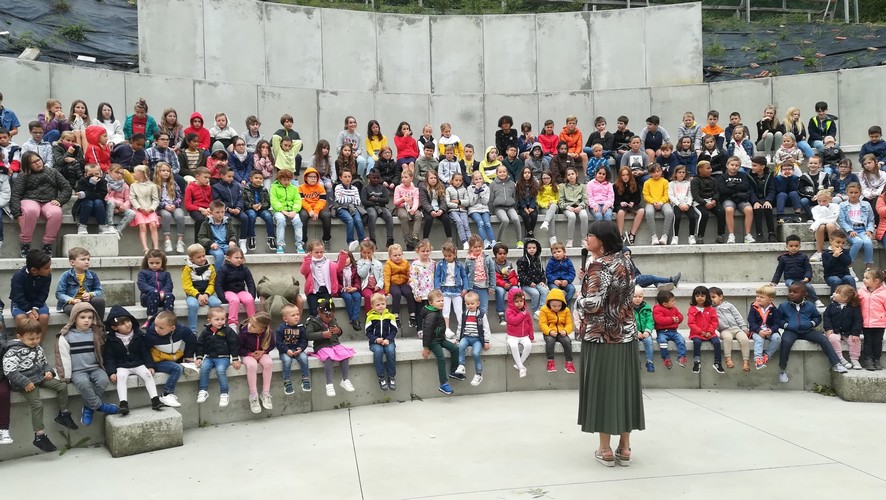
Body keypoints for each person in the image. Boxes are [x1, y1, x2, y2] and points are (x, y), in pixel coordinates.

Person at [576, 220, 644, 467]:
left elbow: (593, 304)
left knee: (603, 388)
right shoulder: (626, 261)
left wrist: (578, 300)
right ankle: (624, 448)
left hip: (601, 336)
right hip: (626, 334)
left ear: (601, 240)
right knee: (624, 388)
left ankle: (605, 449)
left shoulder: (598, 265)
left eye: (590, 235)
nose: (587, 239)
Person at [3, 318, 76, 452]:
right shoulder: (13, 351)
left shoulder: (38, 347)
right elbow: (9, 370)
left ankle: (64, 414)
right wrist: (25, 382)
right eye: (31, 339)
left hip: (39, 376)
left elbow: (44, 363)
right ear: (20, 337)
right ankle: (39, 435)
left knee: (62, 386)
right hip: (24, 382)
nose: (35, 341)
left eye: (38, 338)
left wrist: (48, 371)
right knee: (37, 404)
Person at [56, 301, 118, 425]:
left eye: (90, 317)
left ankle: (88, 408)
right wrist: (65, 376)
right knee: (83, 383)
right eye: (82, 317)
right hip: (77, 371)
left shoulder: (96, 333)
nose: (86, 320)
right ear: (74, 318)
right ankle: (99, 406)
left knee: (103, 380)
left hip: (95, 367)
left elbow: (103, 351)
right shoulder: (66, 336)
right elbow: (61, 357)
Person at [777, 283, 848, 383]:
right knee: (785, 342)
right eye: (790, 291)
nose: (791, 294)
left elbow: (817, 317)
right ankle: (782, 369)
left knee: (823, 339)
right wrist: (786, 325)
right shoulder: (783, 306)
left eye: (795, 292)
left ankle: (836, 364)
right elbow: (778, 319)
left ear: (804, 294)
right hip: (791, 331)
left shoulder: (810, 305)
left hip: (807, 331)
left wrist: (811, 324)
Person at [11, 151, 72, 257]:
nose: (38, 163)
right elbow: (16, 194)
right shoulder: (23, 175)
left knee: (56, 213)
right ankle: (25, 243)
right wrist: (17, 214)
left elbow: (67, 188)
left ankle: (47, 244)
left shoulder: (53, 172)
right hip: (30, 200)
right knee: (31, 211)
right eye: (33, 162)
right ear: (27, 165)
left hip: (49, 201)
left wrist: (59, 200)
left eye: (38, 160)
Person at [104, 305, 162, 414]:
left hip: (138, 363)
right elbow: (109, 358)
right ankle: (123, 403)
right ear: (114, 328)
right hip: (122, 365)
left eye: (128, 321)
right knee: (121, 377)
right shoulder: (111, 340)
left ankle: (155, 399)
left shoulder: (138, 335)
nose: (127, 324)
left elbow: (145, 352)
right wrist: (111, 372)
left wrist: (150, 365)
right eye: (122, 324)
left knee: (147, 374)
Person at [144, 310, 196, 407]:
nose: (157, 329)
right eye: (156, 325)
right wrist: (150, 365)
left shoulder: (181, 330)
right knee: (177, 368)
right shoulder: (151, 334)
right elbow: (144, 350)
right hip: (158, 361)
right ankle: (166, 394)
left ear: (172, 328)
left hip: (174, 357)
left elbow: (191, 339)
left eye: (161, 328)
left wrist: (188, 356)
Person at [306, 298, 356, 397]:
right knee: (329, 357)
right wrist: (322, 334)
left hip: (334, 344)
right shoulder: (312, 321)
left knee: (344, 354)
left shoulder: (332, 320)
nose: (329, 318)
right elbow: (308, 335)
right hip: (321, 346)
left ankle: (345, 379)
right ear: (319, 312)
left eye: (332, 316)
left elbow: (339, 332)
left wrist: (338, 330)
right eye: (327, 316)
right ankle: (329, 384)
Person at [196, 306, 241, 407]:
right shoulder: (206, 331)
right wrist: (199, 357)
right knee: (204, 368)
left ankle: (224, 393)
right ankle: (203, 391)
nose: (220, 322)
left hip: (223, 357)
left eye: (222, 319)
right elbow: (200, 344)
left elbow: (234, 344)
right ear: (209, 320)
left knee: (220, 370)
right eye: (217, 319)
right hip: (209, 357)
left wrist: (235, 358)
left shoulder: (228, 331)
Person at [422, 290, 461, 395]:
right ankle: (443, 383)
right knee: (441, 358)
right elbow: (427, 332)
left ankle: (453, 371)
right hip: (433, 341)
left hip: (441, 338)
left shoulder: (437, 311)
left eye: (442, 300)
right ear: (431, 303)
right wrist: (426, 347)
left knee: (455, 349)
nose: (441, 303)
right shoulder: (431, 315)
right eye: (438, 301)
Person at [771, 234, 823, 309]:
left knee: (809, 286)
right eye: (791, 246)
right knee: (792, 286)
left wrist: (807, 277)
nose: (794, 248)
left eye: (796, 246)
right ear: (786, 247)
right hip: (790, 279)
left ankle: (816, 300)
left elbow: (808, 269)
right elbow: (779, 271)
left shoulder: (803, 257)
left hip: (801, 279)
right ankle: (793, 301)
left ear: (799, 246)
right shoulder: (783, 258)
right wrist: (774, 282)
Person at [11, 249, 52, 342]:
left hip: (38, 303)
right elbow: (18, 296)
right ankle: (22, 345)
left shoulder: (47, 275)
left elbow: (43, 293)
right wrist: (29, 312)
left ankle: (38, 344)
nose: (50, 269)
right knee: (21, 318)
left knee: (44, 317)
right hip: (20, 303)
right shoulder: (18, 276)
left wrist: (35, 308)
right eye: (46, 268)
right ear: (34, 270)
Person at [237, 313, 274, 414]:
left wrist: (263, 352)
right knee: (252, 365)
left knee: (268, 363)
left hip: (261, 353)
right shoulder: (243, 332)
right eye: (250, 322)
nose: (249, 326)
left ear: (261, 330)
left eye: (253, 326)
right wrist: (250, 354)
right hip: (247, 354)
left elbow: (272, 345)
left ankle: (265, 393)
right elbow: (238, 348)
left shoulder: (268, 333)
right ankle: (253, 395)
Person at [182, 243, 223, 334]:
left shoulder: (210, 268)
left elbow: (212, 283)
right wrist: (198, 296)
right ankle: (192, 331)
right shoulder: (187, 269)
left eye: (203, 256)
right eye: (199, 257)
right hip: (193, 295)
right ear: (191, 259)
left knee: (216, 303)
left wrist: (206, 294)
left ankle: (215, 328)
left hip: (207, 294)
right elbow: (187, 286)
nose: (202, 259)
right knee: (193, 305)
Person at [55, 246, 106, 319]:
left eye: (88, 259)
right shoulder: (66, 275)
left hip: (87, 301)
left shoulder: (92, 275)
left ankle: (98, 324)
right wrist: (72, 300)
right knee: (73, 309)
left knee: (99, 301)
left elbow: (100, 291)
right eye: (83, 259)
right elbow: (59, 294)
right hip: (71, 303)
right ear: (72, 262)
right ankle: (77, 326)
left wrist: (90, 294)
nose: (87, 262)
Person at [710, 287, 751, 372]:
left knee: (744, 339)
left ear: (720, 297)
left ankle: (746, 361)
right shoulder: (710, 309)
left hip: (736, 328)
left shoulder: (728, 305)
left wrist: (744, 327)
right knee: (727, 338)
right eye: (709, 298)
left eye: (713, 297)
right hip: (724, 330)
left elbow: (737, 316)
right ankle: (728, 359)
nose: (711, 300)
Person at [216, 246, 257, 330]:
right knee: (235, 300)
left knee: (249, 299)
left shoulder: (244, 268)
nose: (239, 260)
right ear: (228, 258)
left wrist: (252, 294)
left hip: (241, 291)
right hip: (228, 291)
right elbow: (218, 284)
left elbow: (250, 282)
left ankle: (252, 322)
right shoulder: (223, 269)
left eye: (241, 258)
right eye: (236, 257)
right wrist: (222, 298)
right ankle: (233, 325)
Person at [824, 285, 863, 370]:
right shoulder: (831, 306)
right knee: (832, 338)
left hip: (848, 331)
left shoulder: (853, 308)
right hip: (835, 330)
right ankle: (840, 358)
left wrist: (855, 333)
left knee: (855, 340)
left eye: (836, 293)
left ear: (844, 298)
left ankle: (855, 359)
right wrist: (828, 328)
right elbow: (826, 317)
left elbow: (858, 321)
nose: (833, 294)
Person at [837, 182, 875, 269]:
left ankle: (868, 266)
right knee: (858, 242)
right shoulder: (842, 205)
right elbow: (842, 221)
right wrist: (850, 230)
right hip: (849, 230)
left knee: (868, 242)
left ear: (860, 193)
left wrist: (869, 230)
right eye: (851, 192)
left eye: (856, 192)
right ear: (847, 193)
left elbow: (871, 220)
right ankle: (848, 265)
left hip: (862, 229)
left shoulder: (866, 204)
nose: (853, 195)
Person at [687, 286, 724, 374]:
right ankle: (697, 362)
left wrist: (710, 331)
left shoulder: (711, 309)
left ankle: (717, 362)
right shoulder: (692, 309)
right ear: (694, 297)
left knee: (716, 342)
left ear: (707, 297)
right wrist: (700, 332)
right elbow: (691, 323)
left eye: (702, 296)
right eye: (697, 296)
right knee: (697, 342)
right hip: (696, 333)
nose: (700, 298)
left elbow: (714, 322)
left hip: (710, 333)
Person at [275, 304, 311, 394]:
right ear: (285, 319)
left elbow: (304, 341)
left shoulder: (301, 327)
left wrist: (301, 349)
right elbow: (278, 343)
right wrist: (286, 350)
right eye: (293, 315)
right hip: (285, 351)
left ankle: (305, 378)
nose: (296, 317)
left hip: (298, 350)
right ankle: (287, 381)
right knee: (287, 360)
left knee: (304, 358)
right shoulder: (280, 329)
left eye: (297, 314)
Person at [365, 293, 398, 391]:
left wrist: (388, 339)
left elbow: (394, 330)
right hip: (375, 342)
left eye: (383, 304)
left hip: (388, 341)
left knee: (390, 351)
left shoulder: (390, 316)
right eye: (378, 305)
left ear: (386, 304)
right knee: (378, 351)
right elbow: (368, 332)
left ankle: (391, 376)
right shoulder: (370, 317)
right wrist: (375, 339)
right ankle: (381, 377)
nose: (380, 306)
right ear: (372, 306)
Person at [212, 166, 248, 252]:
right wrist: (227, 209)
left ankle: (242, 240)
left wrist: (238, 208)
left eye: (232, 176)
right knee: (227, 219)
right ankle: (230, 241)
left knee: (245, 218)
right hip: (225, 210)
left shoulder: (237, 185)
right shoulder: (216, 187)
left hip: (237, 209)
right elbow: (218, 200)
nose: (231, 178)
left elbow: (241, 198)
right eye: (229, 176)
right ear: (222, 176)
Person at [300, 240, 339, 317]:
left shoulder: (328, 262)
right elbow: (303, 271)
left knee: (327, 311)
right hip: (313, 291)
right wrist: (307, 259)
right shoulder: (308, 262)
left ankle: (327, 324)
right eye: (316, 252)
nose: (319, 254)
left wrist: (343, 257)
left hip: (325, 290)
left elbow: (339, 268)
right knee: (314, 311)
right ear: (310, 252)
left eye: (321, 252)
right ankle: (314, 323)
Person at [540, 287, 575, 374]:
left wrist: (566, 331)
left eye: (559, 306)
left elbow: (569, 323)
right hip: (549, 331)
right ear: (549, 303)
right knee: (550, 341)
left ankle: (569, 363)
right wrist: (549, 331)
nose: (557, 308)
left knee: (567, 341)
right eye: (554, 306)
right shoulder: (544, 309)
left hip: (561, 331)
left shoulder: (566, 310)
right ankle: (550, 362)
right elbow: (542, 324)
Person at [270, 169, 305, 254]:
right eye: (284, 180)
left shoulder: (294, 188)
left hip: (292, 211)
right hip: (279, 211)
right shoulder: (274, 187)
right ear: (279, 179)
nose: (286, 182)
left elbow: (297, 200)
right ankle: (280, 245)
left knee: (298, 221)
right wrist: (283, 210)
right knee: (281, 220)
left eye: (288, 180)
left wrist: (294, 211)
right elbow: (274, 200)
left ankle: (299, 245)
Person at [154, 162, 186, 253]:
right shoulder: (154, 185)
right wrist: (164, 206)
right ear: (158, 172)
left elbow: (179, 197)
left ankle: (180, 241)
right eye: (163, 170)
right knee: (166, 216)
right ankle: (167, 240)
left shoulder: (173, 183)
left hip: (174, 206)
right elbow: (155, 199)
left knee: (180, 216)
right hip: (162, 207)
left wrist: (175, 205)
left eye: (168, 171)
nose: (166, 172)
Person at [748, 284, 782, 370]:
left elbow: (777, 323)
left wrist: (771, 330)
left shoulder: (774, 310)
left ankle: (767, 355)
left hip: (769, 331)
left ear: (770, 300)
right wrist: (759, 331)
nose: (758, 298)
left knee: (777, 338)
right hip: (756, 331)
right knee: (759, 339)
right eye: (757, 296)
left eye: (762, 297)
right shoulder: (754, 308)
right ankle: (758, 359)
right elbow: (751, 322)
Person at [690, 160, 724, 244]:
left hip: (711, 201)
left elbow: (716, 192)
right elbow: (695, 195)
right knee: (704, 214)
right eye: (708, 168)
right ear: (700, 170)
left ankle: (720, 235)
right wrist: (705, 203)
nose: (710, 170)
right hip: (699, 202)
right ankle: (700, 236)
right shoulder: (695, 180)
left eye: (710, 168)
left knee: (721, 212)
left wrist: (714, 200)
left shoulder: (713, 180)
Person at [858, 268, 886, 371]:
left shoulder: (884, 293)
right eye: (864, 277)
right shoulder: (861, 291)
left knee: (878, 342)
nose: (864, 280)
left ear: (876, 281)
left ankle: (876, 359)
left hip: (880, 323)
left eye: (867, 278)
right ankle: (868, 360)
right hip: (866, 323)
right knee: (868, 341)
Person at [385, 243, 418, 329]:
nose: (398, 257)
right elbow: (387, 277)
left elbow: (409, 274)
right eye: (395, 255)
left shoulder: (405, 262)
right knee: (397, 294)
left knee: (409, 293)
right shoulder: (388, 264)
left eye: (399, 255)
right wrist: (387, 291)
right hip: (393, 284)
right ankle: (395, 315)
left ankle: (412, 315)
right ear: (390, 256)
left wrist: (411, 284)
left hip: (404, 283)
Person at [298, 167, 332, 250]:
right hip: (306, 208)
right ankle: (303, 241)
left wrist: (316, 211)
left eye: (315, 177)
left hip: (318, 208)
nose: (313, 178)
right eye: (311, 176)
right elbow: (302, 201)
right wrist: (309, 210)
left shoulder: (320, 187)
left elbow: (322, 201)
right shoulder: (301, 188)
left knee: (327, 215)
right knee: (303, 216)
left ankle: (326, 239)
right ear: (306, 178)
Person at [138, 249, 175, 325]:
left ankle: (168, 319)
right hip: (148, 298)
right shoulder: (143, 273)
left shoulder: (166, 274)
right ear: (147, 262)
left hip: (162, 298)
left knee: (170, 295)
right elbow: (142, 285)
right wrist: (155, 291)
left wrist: (163, 291)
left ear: (162, 262)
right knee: (153, 293)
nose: (154, 265)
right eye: (151, 263)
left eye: (157, 263)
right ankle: (151, 318)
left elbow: (169, 285)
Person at [130, 165, 161, 254]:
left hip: (150, 209)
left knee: (153, 225)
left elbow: (155, 199)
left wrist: (151, 209)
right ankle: (145, 248)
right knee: (142, 226)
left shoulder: (152, 186)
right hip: (139, 210)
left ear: (141, 174)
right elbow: (132, 198)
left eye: (135, 172)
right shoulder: (133, 186)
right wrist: (140, 208)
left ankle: (156, 247)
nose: (133, 174)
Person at [652, 289, 686, 369]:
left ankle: (681, 357)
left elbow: (680, 316)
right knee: (662, 342)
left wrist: (678, 319)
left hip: (674, 331)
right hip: (662, 332)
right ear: (665, 304)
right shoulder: (657, 309)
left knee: (681, 340)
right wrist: (672, 319)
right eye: (672, 301)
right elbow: (660, 320)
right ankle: (666, 358)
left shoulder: (674, 309)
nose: (674, 302)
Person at [242, 169, 275, 251]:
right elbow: (244, 202)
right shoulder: (245, 189)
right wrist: (252, 206)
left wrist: (261, 206)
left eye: (260, 178)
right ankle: (251, 237)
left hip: (261, 209)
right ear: (251, 179)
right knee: (252, 215)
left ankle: (271, 237)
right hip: (250, 208)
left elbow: (268, 203)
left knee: (268, 216)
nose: (258, 180)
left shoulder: (264, 190)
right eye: (256, 178)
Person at [361, 168, 395, 248]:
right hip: (370, 207)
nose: (376, 179)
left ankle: (390, 239)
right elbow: (364, 202)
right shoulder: (365, 188)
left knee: (389, 215)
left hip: (381, 207)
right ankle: (373, 240)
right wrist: (378, 202)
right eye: (374, 178)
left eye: (378, 178)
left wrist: (375, 199)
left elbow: (386, 200)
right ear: (369, 178)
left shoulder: (383, 188)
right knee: (372, 215)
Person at [409, 239, 435, 337]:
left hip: (430, 293)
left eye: (427, 251)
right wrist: (416, 293)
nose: (425, 253)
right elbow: (413, 279)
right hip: (420, 293)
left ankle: (430, 330)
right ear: (418, 251)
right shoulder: (415, 264)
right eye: (423, 251)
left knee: (431, 313)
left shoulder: (432, 263)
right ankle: (420, 330)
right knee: (420, 312)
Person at [199, 200, 238, 265]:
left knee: (236, 253)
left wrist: (232, 241)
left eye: (222, 212)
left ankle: (234, 271)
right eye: (217, 212)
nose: (220, 214)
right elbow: (201, 237)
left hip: (226, 245)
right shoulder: (206, 223)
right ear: (211, 212)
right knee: (220, 255)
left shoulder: (227, 222)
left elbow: (233, 234)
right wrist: (210, 243)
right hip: (214, 246)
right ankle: (218, 272)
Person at [517, 238, 549, 314]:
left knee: (545, 290)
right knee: (535, 293)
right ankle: (535, 310)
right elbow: (521, 274)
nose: (532, 250)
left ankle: (540, 310)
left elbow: (542, 272)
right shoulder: (522, 260)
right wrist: (529, 282)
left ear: (537, 249)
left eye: (534, 248)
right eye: (529, 248)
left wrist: (542, 281)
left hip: (537, 283)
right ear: (526, 249)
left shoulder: (538, 259)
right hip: (526, 284)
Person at [558, 167, 589, 248]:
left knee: (584, 216)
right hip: (568, 207)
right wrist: (568, 207)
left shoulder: (582, 186)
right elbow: (560, 201)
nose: (571, 176)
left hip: (579, 206)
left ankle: (584, 239)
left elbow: (585, 200)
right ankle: (570, 240)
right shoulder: (563, 187)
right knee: (572, 217)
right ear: (566, 176)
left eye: (572, 174)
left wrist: (580, 207)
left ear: (576, 174)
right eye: (568, 175)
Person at [642, 164, 672, 245]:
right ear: (650, 174)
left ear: (661, 172)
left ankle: (665, 236)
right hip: (651, 203)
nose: (656, 173)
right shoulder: (647, 183)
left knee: (669, 212)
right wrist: (653, 202)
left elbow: (666, 195)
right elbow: (646, 195)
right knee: (649, 212)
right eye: (654, 172)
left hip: (663, 202)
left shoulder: (665, 182)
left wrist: (661, 202)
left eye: (658, 171)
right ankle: (654, 236)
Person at [748, 156, 777, 243]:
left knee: (768, 208)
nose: (752, 168)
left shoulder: (770, 176)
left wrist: (768, 200)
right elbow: (751, 191)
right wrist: (755, 202)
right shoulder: (749, 176)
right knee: (758, 209)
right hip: (756, 199)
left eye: (754, 166)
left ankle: (771, 233)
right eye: (752, 165)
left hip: (767, 199)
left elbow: (772, 190)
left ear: (762, 167)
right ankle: (759, 234)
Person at [393, 169, 422, 250]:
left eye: (406, 177)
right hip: (401, 207)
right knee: (404, 216)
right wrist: (403, 198)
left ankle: (415, 237)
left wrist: (413, 209)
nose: (403, 179)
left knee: (418, 215)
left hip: (411, 207)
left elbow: (416, 201)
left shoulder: (415, 190)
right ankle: (407, 241)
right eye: (402, 177)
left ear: (411, 178)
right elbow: (395, 202)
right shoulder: (398, 188)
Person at [419, 168, 452, 240]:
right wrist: (431, 211)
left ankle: (449, 239)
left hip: (439, 208)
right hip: (428, 209)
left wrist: (441, 210)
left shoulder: (441, 186)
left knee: (446, 218)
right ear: (427, 179)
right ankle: (425, 239)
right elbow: (424, 202)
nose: (433, 180)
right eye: (431, 178)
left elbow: (443, 200)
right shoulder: (423, 187)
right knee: (428, 219)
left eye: (435, 178)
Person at [668, 165, 696, 244]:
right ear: (675, 173)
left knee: (692, 217)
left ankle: (691, 236)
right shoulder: (671, 184)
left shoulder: (688, 183)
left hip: (687, 204)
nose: (681, 174)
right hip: (677, 204)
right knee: (677, 217)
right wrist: (679, 204)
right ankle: (675, 236)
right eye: (679, 172)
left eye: (683, 172)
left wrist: (688, 204)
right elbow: (671, 196)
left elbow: (690, 195)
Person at [467, 171, 495, 249]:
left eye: (480, 179)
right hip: (474, 210)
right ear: (473, 180)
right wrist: (476, 192)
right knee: (481, 223)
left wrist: (481, 191)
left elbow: (485, 202)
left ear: (482, 179)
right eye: (476, 179)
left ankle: (493, 241)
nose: (478, 181)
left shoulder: (487, 188)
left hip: (484, 209)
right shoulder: (469, 188)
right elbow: (471, 203)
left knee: (487, 224)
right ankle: (485, 241)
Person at [810, 189, 840, 262]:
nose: (821, 203)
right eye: (819, 201)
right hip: (820, 229)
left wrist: (823, 220)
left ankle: (833, 249)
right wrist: (823, 221)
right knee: (821, 226)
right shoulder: (815, 209)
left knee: (829, 225)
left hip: (833, 228)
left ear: (830, 199)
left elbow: (833, 218)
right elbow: (817, 219)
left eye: (824, 201)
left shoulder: (836, 206)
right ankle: (819, 252)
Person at [822, 229, 855, 294]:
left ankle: (854, 297)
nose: (840, 245)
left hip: (844, 275)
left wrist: (840, 255)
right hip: (830, 276)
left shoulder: (845, 252)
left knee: (850, 278)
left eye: (843, 243)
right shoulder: (825, 253)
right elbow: (827, 268)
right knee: (836, 280)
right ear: (831, 241)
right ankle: (834, 298)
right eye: (838, 242)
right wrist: (834, 256)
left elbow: (848, 262)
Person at [630, 286, 655, 373]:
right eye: (635, 296)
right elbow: (628, 321)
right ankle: (637, 363)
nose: (637, 299)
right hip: (634, 332)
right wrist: (635, 332)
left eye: (640, 296)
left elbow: (650, 321)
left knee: (649, 341)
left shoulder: (646, 308)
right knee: (634, 344)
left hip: (645, 332)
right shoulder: (628, 309)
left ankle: (650, 362)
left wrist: (647, 331)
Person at [338, 250, 362, 331]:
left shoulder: (355, 268)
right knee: (348, 298)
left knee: (357, 297)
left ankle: (354, 319)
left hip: (353, 289)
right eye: (343, 258)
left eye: (347, 257)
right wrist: (343, 288)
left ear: (351, 258)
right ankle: (354, 320)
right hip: (342, 290)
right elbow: (335, 282)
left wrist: (355, 288)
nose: (345, 259)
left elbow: (357, 280)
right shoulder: (337, 269)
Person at [446, 171, 471, 249]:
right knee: (459, 222)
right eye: (456, 180)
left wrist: (459, 201)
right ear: (452, 181)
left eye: (460, 180)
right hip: (453, 211)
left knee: (466, 225)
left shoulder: (464, 190)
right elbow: (448, 203)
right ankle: (464, 242)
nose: (458, 182)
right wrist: (458, 205)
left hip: (463, 211)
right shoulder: (448, 189)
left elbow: (467, 202)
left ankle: (470, 241)